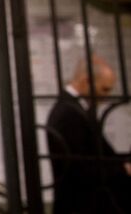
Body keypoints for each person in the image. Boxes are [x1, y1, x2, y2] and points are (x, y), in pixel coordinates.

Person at [46, 56, 131, 214]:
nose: (106, 96)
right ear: (86, 81)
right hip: (81, 205)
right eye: (104, 89)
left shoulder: (74, 108)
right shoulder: (68, 113)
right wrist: (123, 169)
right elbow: (79, 167)